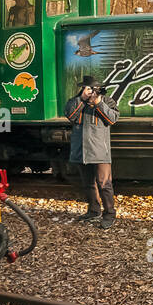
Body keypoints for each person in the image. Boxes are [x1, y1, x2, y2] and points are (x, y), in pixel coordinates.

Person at [64, 76, 118, 227]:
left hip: (100, 150)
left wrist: (98, 103)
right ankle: (94, 211)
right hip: (81, 150)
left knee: (104, 183)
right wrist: (82, 99)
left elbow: (112, 119)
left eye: (93, 89)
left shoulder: (107, 101)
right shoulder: (75, 101)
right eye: (87, 88)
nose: (91, 92)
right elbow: (70, 115)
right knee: (88, 183)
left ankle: (110, 214)